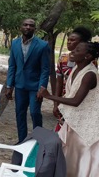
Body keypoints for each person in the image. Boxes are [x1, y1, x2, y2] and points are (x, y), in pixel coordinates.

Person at [39, 41, 99, 177]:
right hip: (75, 122)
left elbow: (76, 101)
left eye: (78, 50)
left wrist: (50, 96)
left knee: (82, 161)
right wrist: (61, 109)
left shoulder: (89, 74)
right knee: (68, 159)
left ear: (88, 56)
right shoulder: (75, 69)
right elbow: (70, 94)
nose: (72, 52)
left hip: (86, 126)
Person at [5, 18, 50, 143]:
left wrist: (42, 87)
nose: (28, 27)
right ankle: (22, 141)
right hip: (20, 86)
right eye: (25, 25)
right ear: (21, 27)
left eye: (31, 25)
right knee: (20, 114)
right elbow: (12, 66)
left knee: (35, 112)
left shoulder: (42, 45)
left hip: (35, 86)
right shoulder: (14, 43)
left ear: (35, 28)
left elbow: (45, 69)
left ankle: (38, 141)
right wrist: (9, 85)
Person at [53, 27, 92, 129]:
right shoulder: (63, 59)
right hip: (65, 100)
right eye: (68, 40)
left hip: (79, 101)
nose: (69, 42)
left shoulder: (89, 61)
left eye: (73, 40)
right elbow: (59, 83)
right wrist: (56, 104)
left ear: (82, 43)